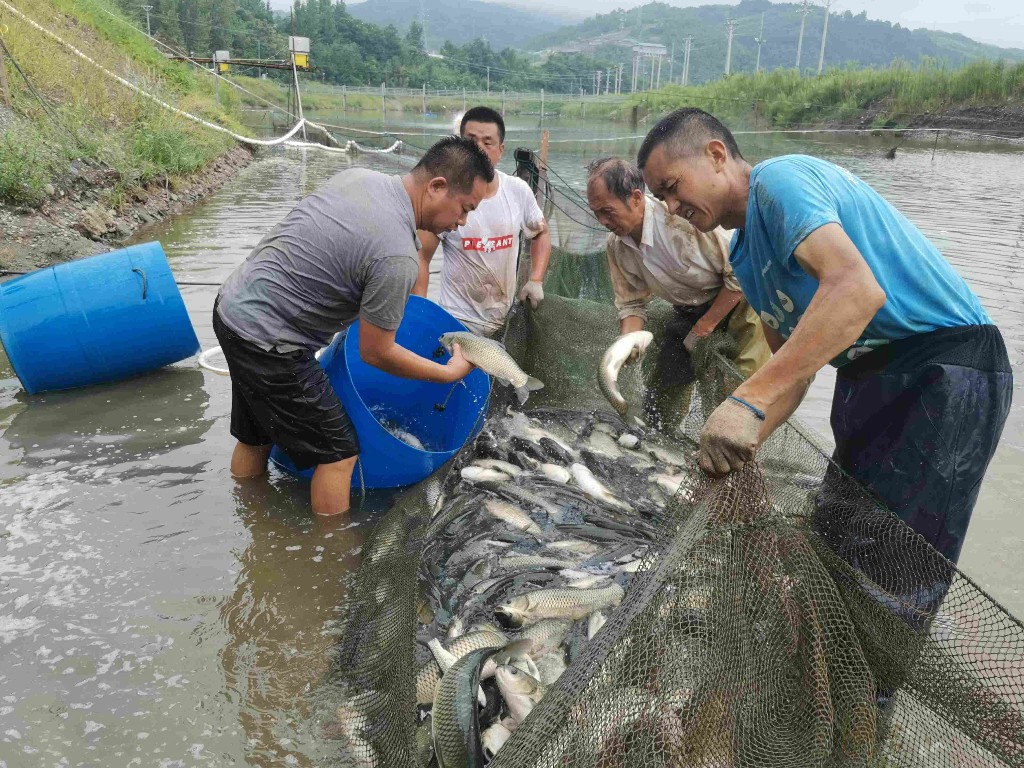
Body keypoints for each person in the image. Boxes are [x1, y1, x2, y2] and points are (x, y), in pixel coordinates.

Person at [637, 107, 1012, 565]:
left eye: (672, 188)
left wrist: (744, 401)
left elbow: (856, 291)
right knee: (839, 535)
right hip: (866, 377)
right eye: (662, 200)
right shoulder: (744, 255)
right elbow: (793, 374)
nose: (672, 209)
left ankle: (895, 637)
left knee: (896, 558)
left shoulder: (778, 180)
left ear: (716, 155)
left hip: (945, 367)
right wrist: (734, 453)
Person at [213, 136, 493, 517]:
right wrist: (446, 373)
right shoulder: (397, 253)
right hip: (270, 343)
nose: (462, 222)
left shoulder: (360, 178)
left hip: (232, 308)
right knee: (339, 454)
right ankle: (330, 560)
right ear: (437, 187)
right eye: (464, 208)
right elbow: (374, 352)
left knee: (257, 435)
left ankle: (247, 516)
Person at [586, 156, 770, 430]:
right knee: (663, 391)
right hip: (691, 307)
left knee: (736, 395)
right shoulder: (617, 245)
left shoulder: (683, 221)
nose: (602, 221)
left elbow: (741, 273)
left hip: (746, 302)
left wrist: (703, 329)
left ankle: (732, 458)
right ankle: (664, 439)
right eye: (596, 213)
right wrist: (627, 343)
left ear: (636, 198)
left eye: (608, 211)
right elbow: (632, 303)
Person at [413, 106, 551, 337]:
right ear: (459, 144)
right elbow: (421, 256)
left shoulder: (517, 190)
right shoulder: (444, 195)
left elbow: (540, 233)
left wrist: (535, 279)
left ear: (500, 150)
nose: (478, 149)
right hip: (455, 321)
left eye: (487, 143)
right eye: (471, 140)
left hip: (502, 321)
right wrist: (419, 313)